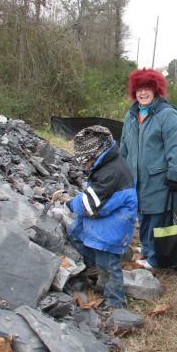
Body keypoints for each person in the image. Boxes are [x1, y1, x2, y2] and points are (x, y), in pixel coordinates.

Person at [120, 68, 177, 270]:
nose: (143, 93)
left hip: (159, 179)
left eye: (147, 89)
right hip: (137, 178)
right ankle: (148, 248)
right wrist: (121, 169)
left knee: (157, 218)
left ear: (156, 90)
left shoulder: (167, 115)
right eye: (139, 89)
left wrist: (176, 175)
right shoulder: (131, 115)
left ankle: (155, 259)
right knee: (143, 214)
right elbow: (124, 146)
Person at [60, 125, 137, 308]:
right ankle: (94, 273)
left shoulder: (111, 173)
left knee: (109, 266)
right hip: (104, 222)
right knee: (76, 235)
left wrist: (70, 203)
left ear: (97, 153)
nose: (84, 165)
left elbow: (89, 205)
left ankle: (116, 304)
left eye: (86, 161)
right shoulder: (107, 163)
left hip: (111, 229)